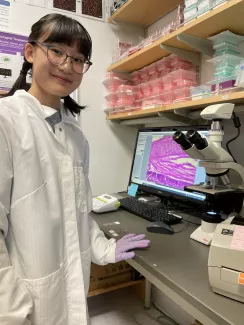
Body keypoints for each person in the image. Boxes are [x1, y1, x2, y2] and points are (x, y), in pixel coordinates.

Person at [0, 13, 150, 325]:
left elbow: (78, 211)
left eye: (79, 58)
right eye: (56, 51)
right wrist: (12, 311)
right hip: (21, 304)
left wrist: (105, 249)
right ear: (30, 52)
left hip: (68, 292)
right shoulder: (6, 121)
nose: (68, 65)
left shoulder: (75, 135)